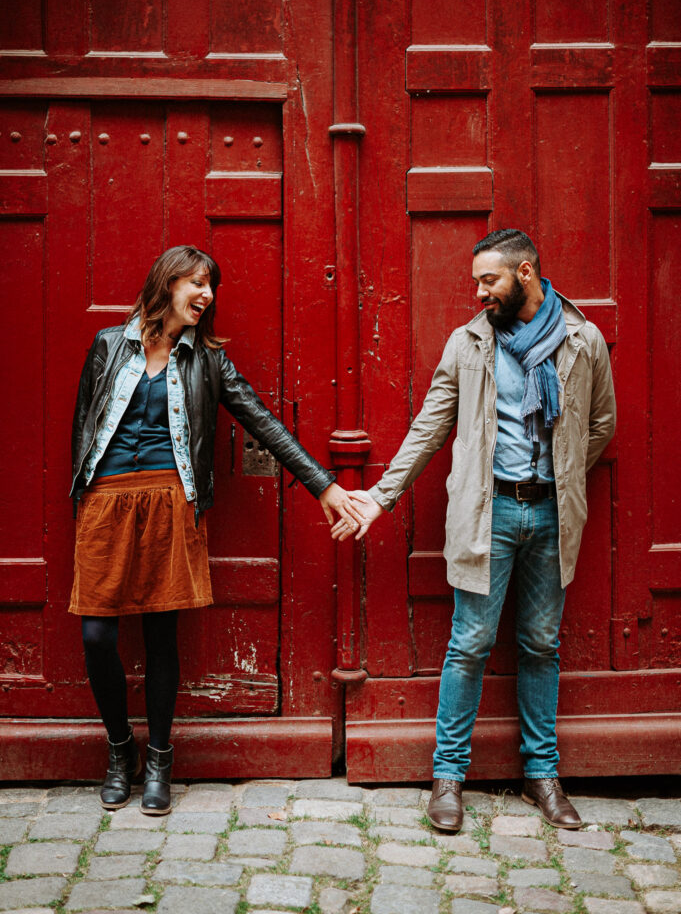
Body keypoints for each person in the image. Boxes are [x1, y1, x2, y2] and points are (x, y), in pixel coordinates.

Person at [332, 229, 616, 831]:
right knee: (470, 645)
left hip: (550, 514)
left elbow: (600, 425)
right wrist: (380, 497)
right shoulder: (468, 345)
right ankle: (448, 778)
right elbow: (430, 426)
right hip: (487, 516)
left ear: (526, 272)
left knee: (541, 645)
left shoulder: (582, 340)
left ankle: (542, 775)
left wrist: (562, 475)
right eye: (476, 282)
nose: (479, 291)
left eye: (490, 280)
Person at [70, 245, 364, 815]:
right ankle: (118, 749)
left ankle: (158, 760)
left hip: (171, 501)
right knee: (97, 636)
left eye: (212, 286)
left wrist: (324, 485)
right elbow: (83, 424)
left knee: (160, 638)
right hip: (106, 500)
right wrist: (82, 499)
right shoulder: (109, 345)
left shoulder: (206, 361)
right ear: (166, 282)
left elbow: (262, 419)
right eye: (198, 283)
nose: (207, 295)